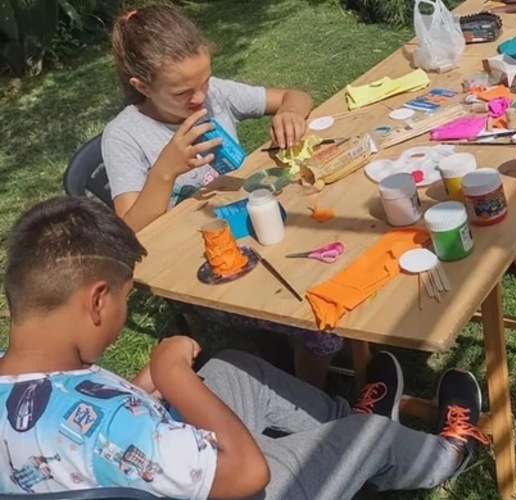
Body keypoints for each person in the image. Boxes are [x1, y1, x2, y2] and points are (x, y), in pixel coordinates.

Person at [0, 196, 490, 499]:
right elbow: (249, 474)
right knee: (368, 436)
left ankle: (343, 428)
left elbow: (72, 427)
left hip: (161, 465)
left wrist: (138, 389)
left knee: (233, 368)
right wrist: (172, 376)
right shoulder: (113, 427)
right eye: (126, 298)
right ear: (97, 301)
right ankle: (445, 455)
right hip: (240, 486)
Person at [101, 4, 341, 387]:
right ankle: (312, 398)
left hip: (249, 224)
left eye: (206, 81)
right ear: (141, 86)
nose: (200, 98)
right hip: (201, 266)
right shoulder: (125, 136)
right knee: (317, 319)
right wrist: (165, 171)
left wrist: (291, 114)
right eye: (183, 93)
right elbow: (129, 231)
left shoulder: (214, 95)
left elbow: (294, 95)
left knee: (333, 249)